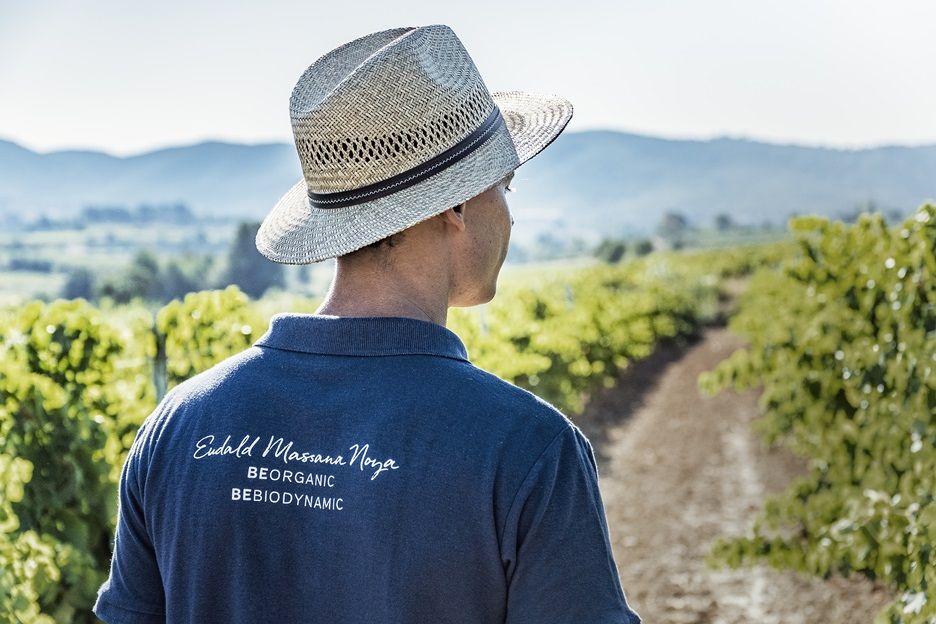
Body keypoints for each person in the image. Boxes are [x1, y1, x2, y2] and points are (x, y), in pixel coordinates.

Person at [93, 23, 642, 624]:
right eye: (505, 185)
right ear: (456, 204)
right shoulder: (526, 448)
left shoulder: (178, 426)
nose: (511, 217)